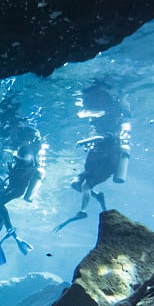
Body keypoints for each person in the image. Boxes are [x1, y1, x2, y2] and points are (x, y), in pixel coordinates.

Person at [54, 80, 130, 232]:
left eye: (95, 122)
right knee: (75, 184)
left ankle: (82, 212)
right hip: (93, 169)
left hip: (105, 168)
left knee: (85, 186)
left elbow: (101, 138)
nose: (93, 124)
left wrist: (85, 141)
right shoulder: (104, 136)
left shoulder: (112, 137)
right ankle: (98, 197)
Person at [0, 144, 36, 264]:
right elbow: (0, 221)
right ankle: (14, 238)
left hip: (2, 195)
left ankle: (12, 238)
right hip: (2, 196)